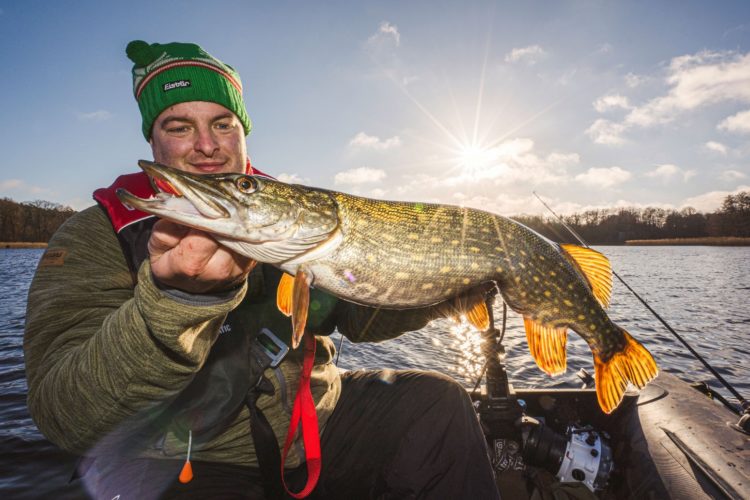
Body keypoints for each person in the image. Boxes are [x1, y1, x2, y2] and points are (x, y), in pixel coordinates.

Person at [24, 40, 500, 499]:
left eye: (223, 123)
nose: (206, 146)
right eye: (179, 127)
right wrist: (175, 304)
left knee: (439, 406)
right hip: (196, 459)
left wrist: (450, 288)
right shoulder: (96, 235)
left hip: (314, 424)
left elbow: (360, 314)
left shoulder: (285, 215)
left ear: (244, 134)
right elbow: (66, 415)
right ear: (153, 139)